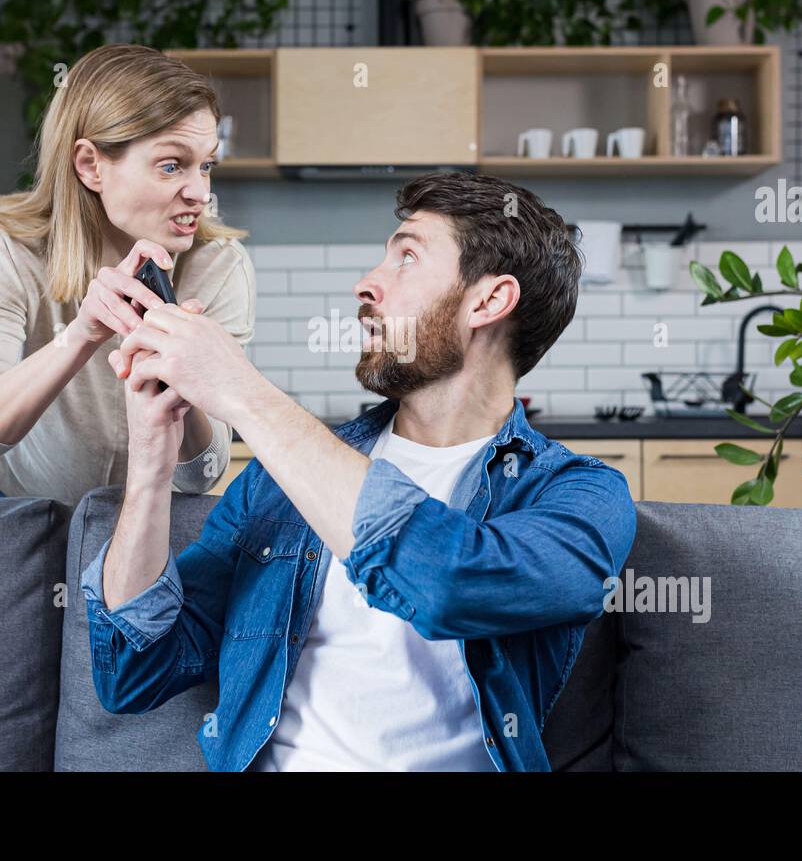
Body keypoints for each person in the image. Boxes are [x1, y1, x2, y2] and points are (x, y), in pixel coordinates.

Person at [79, 170, 637, 771]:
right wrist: (150, 468)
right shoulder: (278, 483)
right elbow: (135, 674)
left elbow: (449, 585)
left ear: (489, 301)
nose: (366, 283)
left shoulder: (580, 496)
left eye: (406, 258)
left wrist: (243, 392)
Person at [0, 44, 254, 506]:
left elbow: (203, 475)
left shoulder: (218, 265)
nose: (200, 192)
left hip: (147, 516)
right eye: (171, 166)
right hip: (23, 511)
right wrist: (80, 335)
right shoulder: (10, 251)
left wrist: (181, 369)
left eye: (206, 165)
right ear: (90, 165)